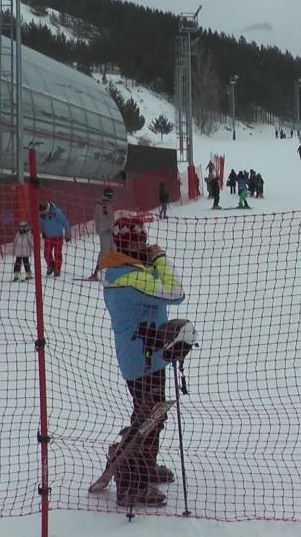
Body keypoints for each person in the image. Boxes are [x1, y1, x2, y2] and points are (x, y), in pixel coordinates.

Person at [99, 216, 194, 508]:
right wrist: (160, 258)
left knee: (154, 417)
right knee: (147, 420)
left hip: (152, 357)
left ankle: (144, 466)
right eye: (135, 242)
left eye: (143, 240)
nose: (142, 245)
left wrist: (152, 263)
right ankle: (131, 485)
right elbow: (175, 292)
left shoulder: (132, 270)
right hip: (141, 360)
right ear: (123, 246)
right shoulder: (127, 276)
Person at [38, 201, 71, 277]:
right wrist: (43, 231)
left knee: (57, 253)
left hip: (58, 237)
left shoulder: (57, 212)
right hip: (48, 237)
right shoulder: (42, 215)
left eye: (44, 213)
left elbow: (65, 222)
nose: (44, 214)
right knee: (46, 253)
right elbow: (42, 223)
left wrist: (67, 234)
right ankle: (51, 266)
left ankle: (57, 269)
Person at [90, 187, 116, 279]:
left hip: (108, 230)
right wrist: (112, 227)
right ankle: (97, 272)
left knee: (113, 249)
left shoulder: (105, 203)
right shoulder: (103, 204)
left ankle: (111, 271)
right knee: (105, 251)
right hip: (106, 231)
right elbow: (105, 219)